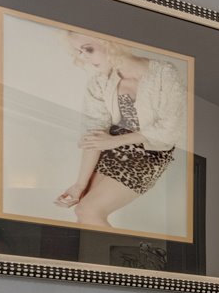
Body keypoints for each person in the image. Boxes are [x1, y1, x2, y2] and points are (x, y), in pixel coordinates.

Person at [55, 30, 188, 228]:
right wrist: (79, 185)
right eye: (79, 52)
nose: (83, 57)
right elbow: (95, 135)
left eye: (88, 49)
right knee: (82, 210)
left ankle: (121, 258)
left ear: (111, 43)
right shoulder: (98, 83)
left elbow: (170, 129)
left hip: (151, 151)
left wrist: (113, 141)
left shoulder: (164, 73)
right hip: (111, 147)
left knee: (88, 210)